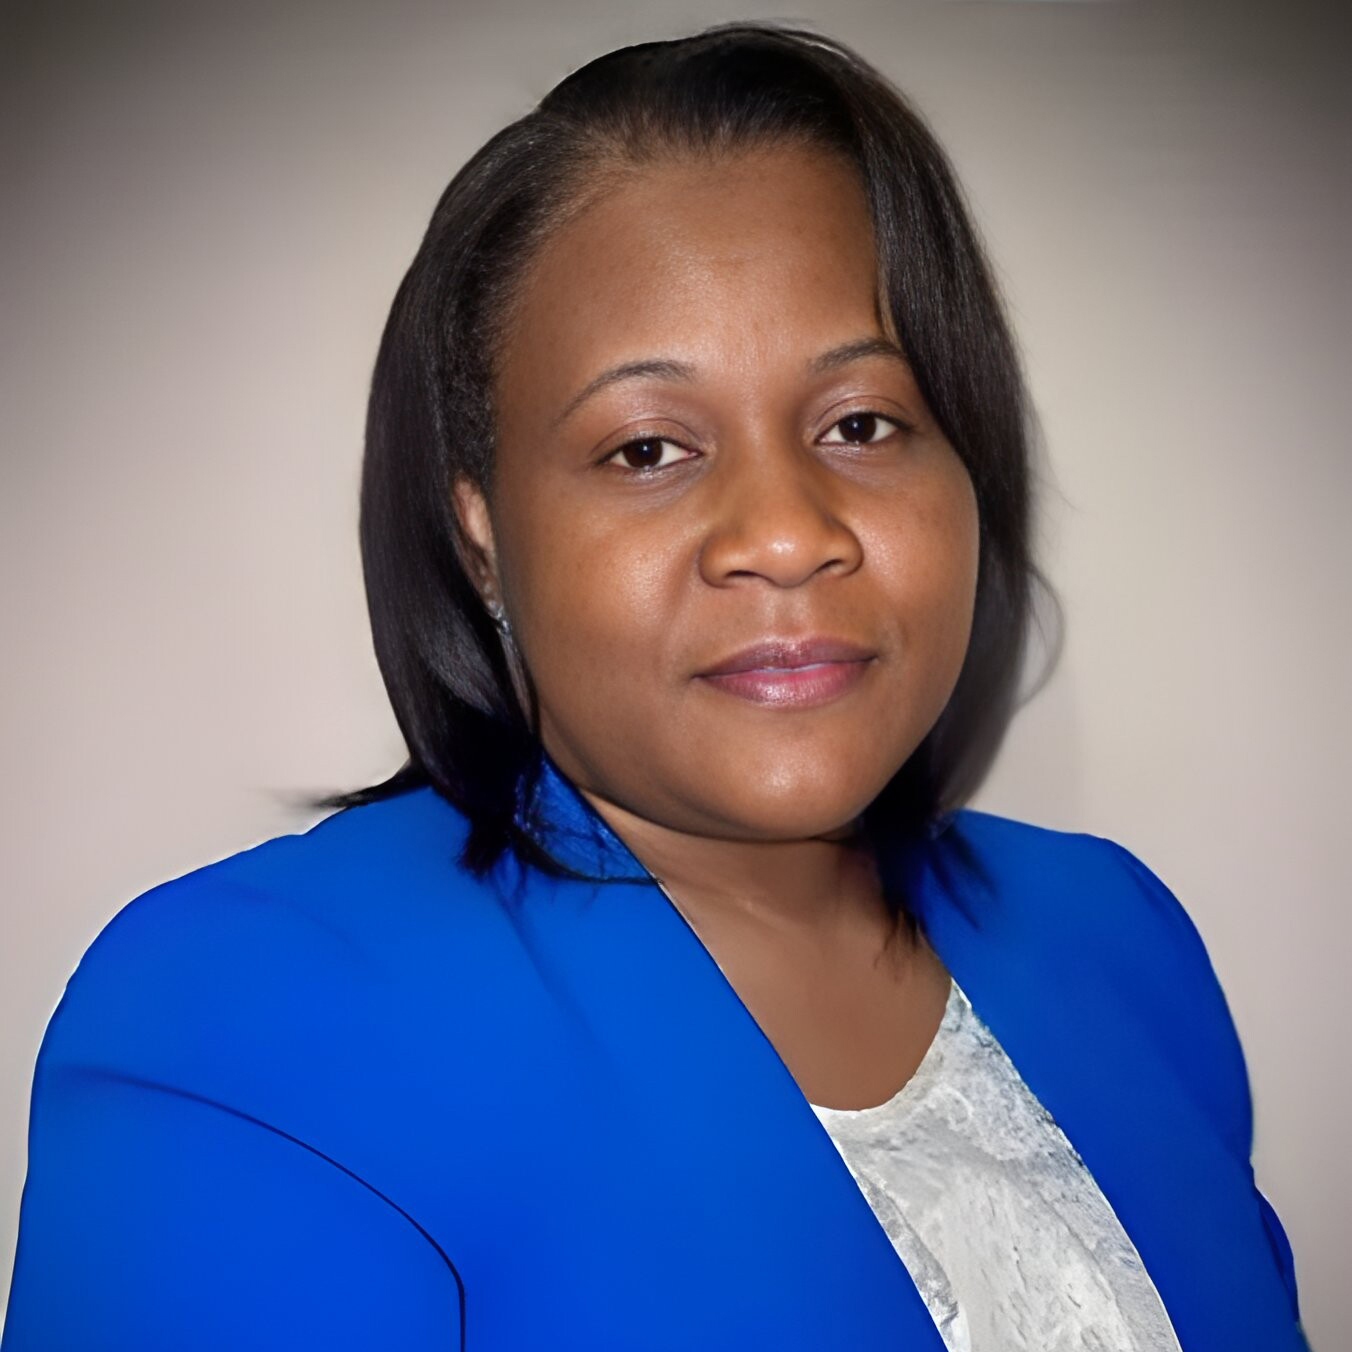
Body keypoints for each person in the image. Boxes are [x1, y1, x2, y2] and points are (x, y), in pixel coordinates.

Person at [1, 21, 1307, 1351]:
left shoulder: (1121, 937)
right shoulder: (245, 1027)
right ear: (481, 534)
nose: (789, 532)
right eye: (645, 448)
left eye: (862, 423)